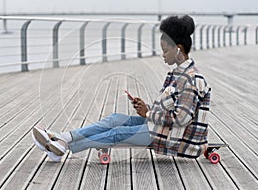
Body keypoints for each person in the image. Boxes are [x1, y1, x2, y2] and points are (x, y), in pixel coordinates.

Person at [32, 15, 211, 162]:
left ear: (178, 49)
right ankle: (64, 137)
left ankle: (63, 146)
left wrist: (148, 114)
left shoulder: (191, 79)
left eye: (165, 51)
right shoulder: (177, 74)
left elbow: (181, 119)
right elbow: (171, 108)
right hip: (162, 127)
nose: (163, 56)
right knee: (115, 119)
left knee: (117, 133)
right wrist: (148, 108)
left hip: (177, 137)